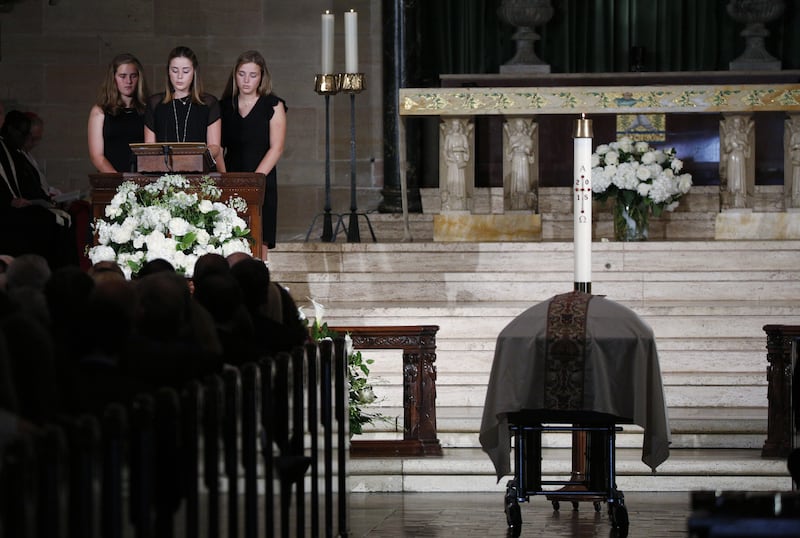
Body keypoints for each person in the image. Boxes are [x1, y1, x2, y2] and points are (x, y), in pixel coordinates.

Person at [220, 50, 286, 259]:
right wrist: (225, 180)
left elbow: (276, 148)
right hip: (231, 177)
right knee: (228, 239)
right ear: (235, 75)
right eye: (242, 74)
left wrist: (255, 181)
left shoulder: (273, 105)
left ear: (261, 77)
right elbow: (217, 148)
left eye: (253, 75)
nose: (246, 80)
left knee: (259, 240)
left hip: (262, 179)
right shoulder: (223, 107)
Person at [0, 111, 76, 268]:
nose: (26, 140)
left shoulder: (16, 152)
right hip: (6, 209)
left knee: (60, 220)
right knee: (47, 222)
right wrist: (11, 200)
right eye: (23, 134)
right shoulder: (6, 150)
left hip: (23, 204)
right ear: (10, 129)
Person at [145, 46, 225, 171]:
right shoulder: (155, 104)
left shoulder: (209, 103)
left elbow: (214, 146)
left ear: (194, 72)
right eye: (175, 70)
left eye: (186, 71)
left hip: (200, 172)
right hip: (164, 174)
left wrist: (193, 161)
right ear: (168, 72)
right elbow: (149, 147)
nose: (179, 76)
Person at [88, 53, 149, 173]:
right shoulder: (100, 111)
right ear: (113, 78)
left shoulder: (147, 110)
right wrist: (121, 183)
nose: (128, 81)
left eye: (133, 76)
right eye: (123, 76)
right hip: (111, 180)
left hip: (143, 179)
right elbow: (97, 157)